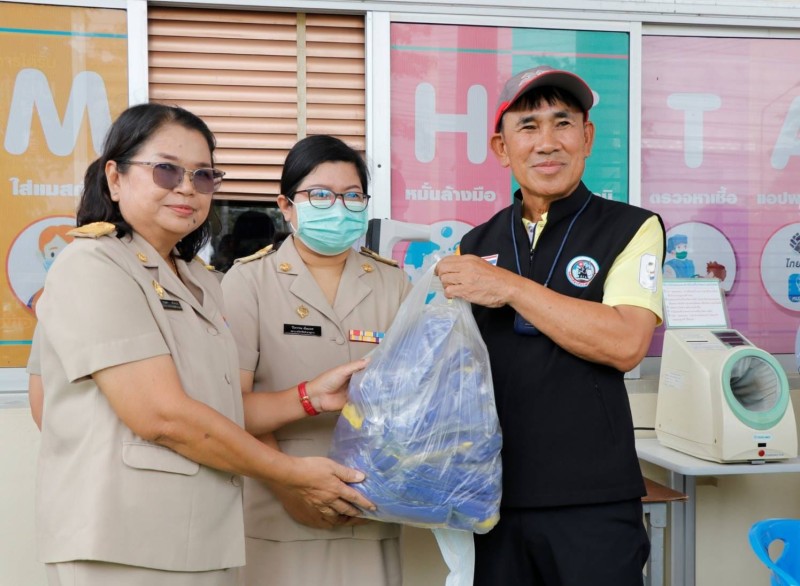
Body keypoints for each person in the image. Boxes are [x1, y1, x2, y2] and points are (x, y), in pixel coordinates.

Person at [31, 104, 376, 586]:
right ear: (115, 178)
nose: (186, 188)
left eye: (203, 175)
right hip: (126, 537)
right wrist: (293, 473)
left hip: (200, 535)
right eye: (166, 170)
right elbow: (160, 415)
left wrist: (310, 397)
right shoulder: (92, 265)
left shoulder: (199, 281)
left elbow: (222, 409)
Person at [435, 65, 665, 586]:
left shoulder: (632, 228)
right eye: (528, 126)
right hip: (491, 497)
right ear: (502, 148)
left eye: (563, 124)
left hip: (593, 499)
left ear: (587, 138)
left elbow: (626, 342)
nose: (547, 142)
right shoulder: (475, 244)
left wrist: (511, 288)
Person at [221, 134, 412, 586]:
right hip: (277, 509)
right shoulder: (248, 282)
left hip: (370, 507)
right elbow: (230, 406)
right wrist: (290, 488)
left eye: (352, 196)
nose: (338, 208)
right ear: (286, 207)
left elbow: (413, 398)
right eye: (320, 195)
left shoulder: (394, 284)